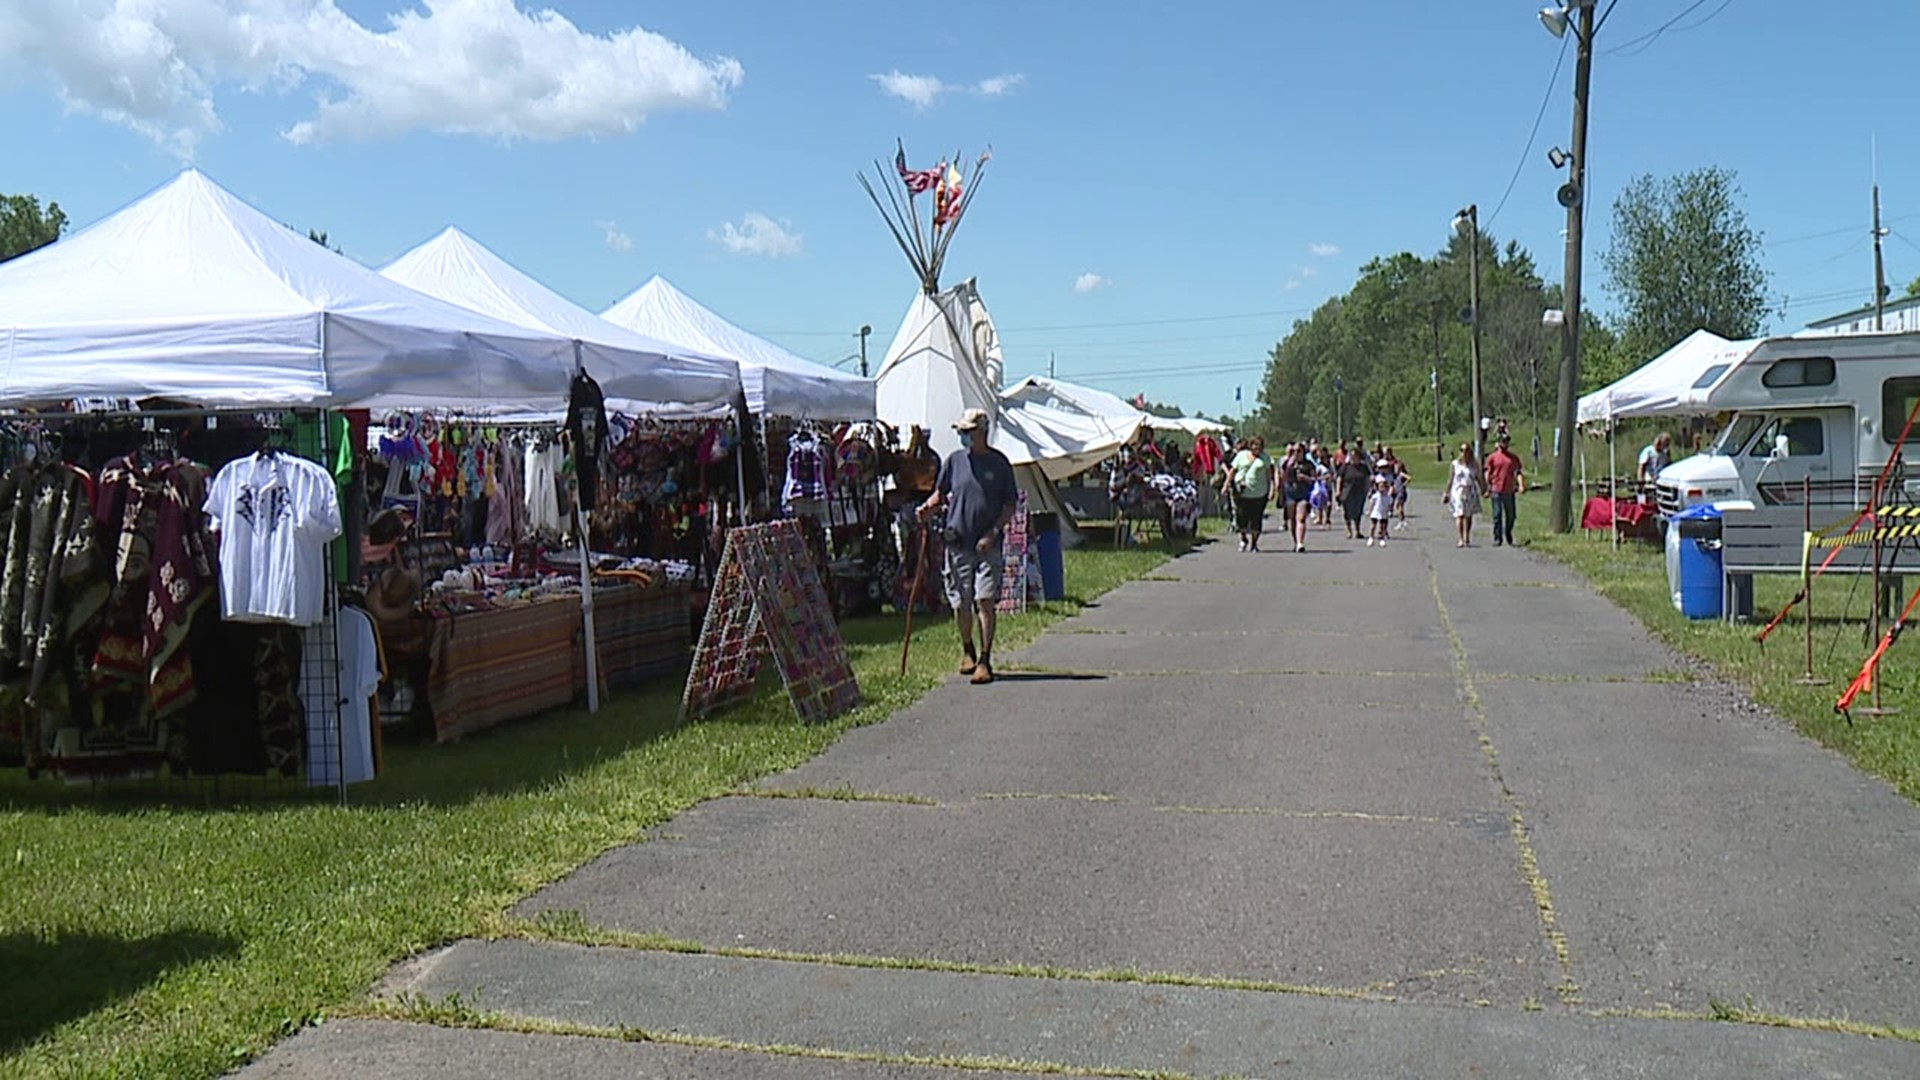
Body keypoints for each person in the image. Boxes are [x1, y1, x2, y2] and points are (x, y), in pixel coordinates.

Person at [919, 408, 1019, 685]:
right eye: (961, 432)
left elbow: (1010, 504)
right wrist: (927, 507)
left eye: (967, 432)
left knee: (984, 600)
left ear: (981, 433)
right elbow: (941, 493)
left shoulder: (1000, 464)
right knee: (960, 602)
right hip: (957, 542)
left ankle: (986, 659)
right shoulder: (954, 461)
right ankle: (968, 650)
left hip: (988, 544)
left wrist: (994, 532)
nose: (963, 437)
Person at [1227, 436, 1272, 552]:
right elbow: (1233, 470)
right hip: (1242, 493)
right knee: (1241, 518)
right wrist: (1226, 484)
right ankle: (1243, 539)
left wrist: (1272, 489)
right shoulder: (1241, 455)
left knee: (1256, 519)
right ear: (1250, 445)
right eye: (1254, 445)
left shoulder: (1265, 458)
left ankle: (1254, 543)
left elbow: (1269, 475)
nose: (1256, 447)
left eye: (1259, 445)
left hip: (1259, 493)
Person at [1484, 434, 1525, 547]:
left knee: (1511, 515)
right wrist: (1487, 487)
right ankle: (1497, 537)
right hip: (1496, 489)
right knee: (1497, 515)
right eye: (1502, 441)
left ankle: (1508, 532)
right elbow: (1488, 473)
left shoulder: (1513, 458)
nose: (1504, 443)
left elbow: (1518, 473)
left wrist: (1521, 485)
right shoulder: (1492, 457)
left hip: (1509, 490)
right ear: (1498, 442)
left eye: (1506, 441)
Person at [1446, 442, 1485, 548]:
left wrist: (1483, 489)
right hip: (1458, 491)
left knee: (1468, 515)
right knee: (1460, 514)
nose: (1464, 453)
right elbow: (1451, 479)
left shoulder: (1474, 464)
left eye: (1466, 450)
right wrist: (1446, 493)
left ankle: (1467, 536)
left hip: (1470, 490)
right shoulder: (1455, 464)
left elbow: (1478, 478)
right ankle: (1461, 538)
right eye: (1462, 450)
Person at [1280, 442, 1314, 552]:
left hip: (1303, 493)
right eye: (1293, 451)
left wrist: (1305, 478)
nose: (1296, 453)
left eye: (1298, 451)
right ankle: (1295, 541)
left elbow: (1315, 479)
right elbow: (1282, 477)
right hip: (1290, 493)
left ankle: (1300, 542)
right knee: (1292, 519)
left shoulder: (1308, 464)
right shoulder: (1287, 463)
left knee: (1301, 517)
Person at [1336, 442, 1372, 541]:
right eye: (1352, 455)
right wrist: (1338, 491)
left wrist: (1369, 490)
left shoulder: (1363, 467)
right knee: (1347, 511)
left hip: (1359, 492)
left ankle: (1357, 530)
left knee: (1358, 511)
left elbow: (1367, 478)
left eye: (1355, 455)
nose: (1353, 457)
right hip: (1347, 492)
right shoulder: (1346, 467)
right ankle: (1349, 530)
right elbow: (1339, 478)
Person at [1366, 473, 1394, 547]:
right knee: (1373, 525)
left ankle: (1382, 539)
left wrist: (1390, 511)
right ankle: (1371, 537)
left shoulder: (1388, 497)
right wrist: (1370, 511)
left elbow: (1390, 504)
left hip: (1383, 513)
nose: (1382, 488)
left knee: (1383, 526)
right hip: (1375, 512)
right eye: (1380, 487)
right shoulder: (1375, 496)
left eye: (1383, 487)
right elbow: (1372, 504)